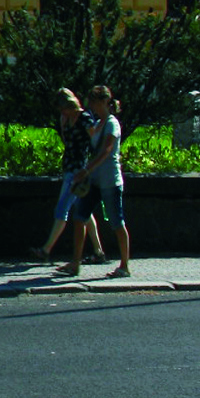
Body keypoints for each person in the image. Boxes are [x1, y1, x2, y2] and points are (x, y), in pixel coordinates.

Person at [61, 83, 132, 278]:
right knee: (79, 217)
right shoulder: (98, 123)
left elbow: (106, 150)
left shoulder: (111, 123)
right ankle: (75, 263)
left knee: (117, 222)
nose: (90, 105)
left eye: (93, 101)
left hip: (110, 181)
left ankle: (124, 265)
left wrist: (86, 170)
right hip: (94, 182)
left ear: (104, 101)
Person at [34, 87, 105, 267]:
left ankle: (46, 249)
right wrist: (64, 122)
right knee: (84, 212)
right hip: (69, 167)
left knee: (62, 208)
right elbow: (67, 143)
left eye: (62, 108)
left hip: (78, 171)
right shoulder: (66, 119)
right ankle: (98, 251)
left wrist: (93, 166)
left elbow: (96, 140)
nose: (61, 112)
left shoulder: (85, 118)